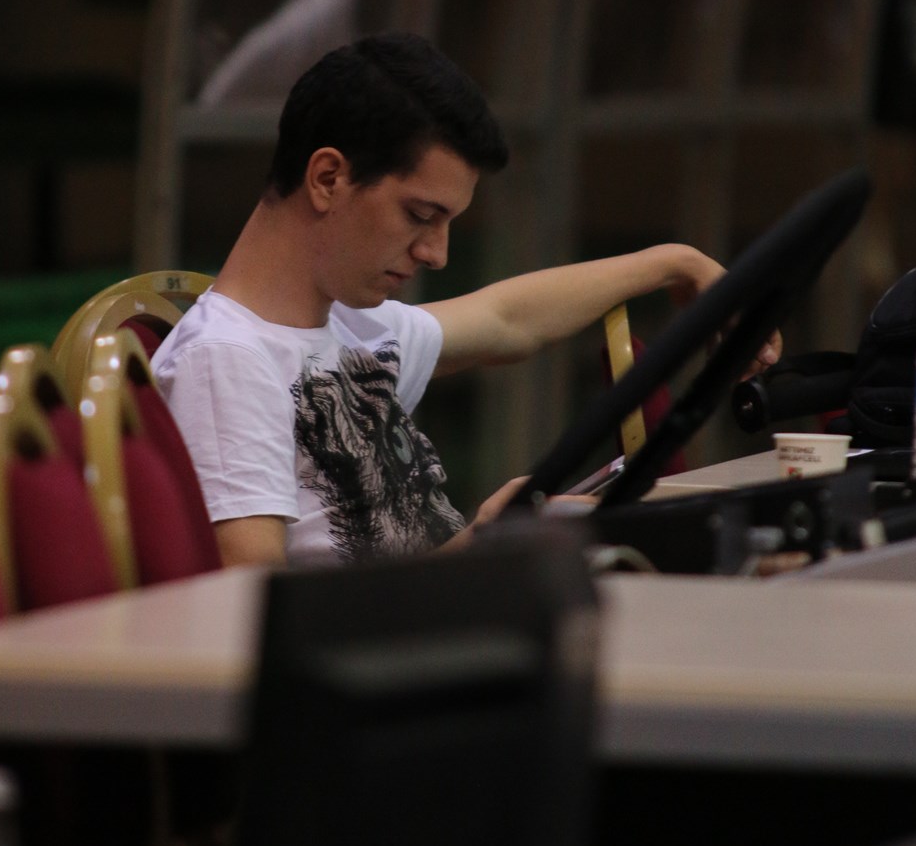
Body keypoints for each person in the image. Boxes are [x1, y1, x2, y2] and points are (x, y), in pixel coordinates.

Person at [152, 33, 778, 566]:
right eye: (420, 216)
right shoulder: (228, 362)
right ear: (328, 178)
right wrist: (478, 550)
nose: (436, 253)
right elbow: (251, 613)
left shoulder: (344, 322)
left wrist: (675, 264)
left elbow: (508, 320)